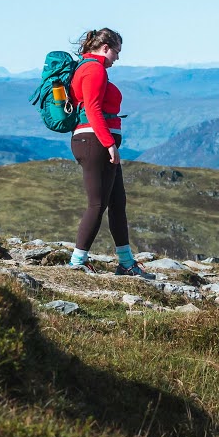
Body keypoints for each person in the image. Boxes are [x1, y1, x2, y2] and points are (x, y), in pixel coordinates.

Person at [67, 27, 149, 276]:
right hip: (95, 142)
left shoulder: (89, 67)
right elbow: (92, 108)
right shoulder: (94, 69)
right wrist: (108, 143)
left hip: (94, 141)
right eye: (117, 51)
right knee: (97, 204)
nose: (118, 57)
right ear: (105, 48)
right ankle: (77, 262)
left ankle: (126, 262)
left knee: (117, 202)